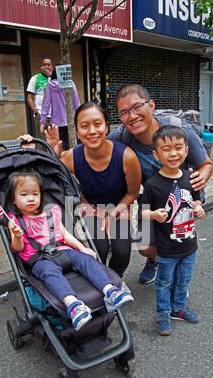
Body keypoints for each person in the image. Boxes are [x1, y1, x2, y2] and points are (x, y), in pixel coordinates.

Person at [108, 84, 213, 285]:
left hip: (182, 199)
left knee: (174, 241)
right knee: (144, 245)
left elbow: (206, 164)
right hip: (151, 200)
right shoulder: (122, 136)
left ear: (151, 105)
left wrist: (203, 176)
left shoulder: (179, 130)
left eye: (137, 107)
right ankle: (154, 260)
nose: (132, 116)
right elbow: (94, 148)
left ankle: (174, 276)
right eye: (124, 112)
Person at [7, 169, 134, 331]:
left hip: (62, 250)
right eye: (24, 195)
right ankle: (73, 305)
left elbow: (65, 235)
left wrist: (82, 248)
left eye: (35, 194)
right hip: (39, 259)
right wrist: (17, 236)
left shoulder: (50, 212)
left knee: (85, 259)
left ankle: (110, 291)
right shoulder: (15, 221)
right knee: (50, 273)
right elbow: (17, 249)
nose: (31, 198)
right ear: (13, 199)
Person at [45, 102, 141, 279]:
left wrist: (112, 214)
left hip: (119, 206)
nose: (91, 131)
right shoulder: (72, 156)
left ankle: (115, 280)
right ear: (78, 132)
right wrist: (53, 155)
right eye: (84, 126)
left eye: (97, 124)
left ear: (106, 127)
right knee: (98, 249)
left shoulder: (126, 156)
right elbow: (49, 178)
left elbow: (133, 193)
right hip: (91, 207)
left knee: (121, 253)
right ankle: (100, 281)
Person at [141, 125, 205, 336]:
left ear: (186, 151)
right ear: (156, 154)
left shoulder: (190, 178)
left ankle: (178, 308)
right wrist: (155, 215)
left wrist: (198, 208)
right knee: (164, 281)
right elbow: (142, 212)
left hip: (189, 245)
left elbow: (196, 202)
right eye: (166, 149)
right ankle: (163, 312)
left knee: (184, 279)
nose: (173, 153)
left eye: (178, 147)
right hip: (166, 248)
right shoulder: (152, 184)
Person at [40, 65, 80, 151]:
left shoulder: (50, 85)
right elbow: (76, 102)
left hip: (56, 123)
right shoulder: (70, 83)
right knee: (72, 146)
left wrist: (42, 122)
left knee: (58, 147)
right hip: (70, 120)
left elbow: (45, 105)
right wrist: (79, 117)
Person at [26, 58, 53, 137]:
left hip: (55, 115)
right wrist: (37, 112)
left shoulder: (54, 79)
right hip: (41, 114)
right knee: (42, 141)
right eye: (44, 64)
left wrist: (50, 75)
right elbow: (29, 97)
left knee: (54, 140)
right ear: (41, 67)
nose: (46, 66)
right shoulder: (35, 78)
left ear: (52, 67)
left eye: (48, 65)